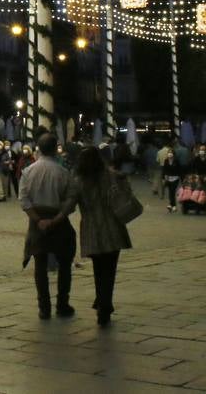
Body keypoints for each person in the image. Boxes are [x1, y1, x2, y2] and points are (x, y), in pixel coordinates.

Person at [63, 147, 132, 326]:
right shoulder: (110, 176)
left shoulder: (78, 181)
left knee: (98, 268)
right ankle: (104, 304)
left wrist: (55, 217)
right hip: (113, 227)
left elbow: (69, 205)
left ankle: (102, 302)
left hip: (91, 228)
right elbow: (125, 189)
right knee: (110, 270)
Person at [20, 134, 76, 319]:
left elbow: (24, 200)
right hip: (58, 220)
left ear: (38, 148)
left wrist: (37, 220)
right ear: (55, 149)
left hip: (37, 220)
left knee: (40, 264)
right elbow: (70, 201)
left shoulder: (28, 172)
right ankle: (62, 303)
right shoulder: (63, 173)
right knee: (65, 263)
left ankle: (44, 307)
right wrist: (57, 218)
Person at [160, 148, 181, 213]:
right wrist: (163, 177)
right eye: (169, 152)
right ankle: (172, 205)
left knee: (172, 191)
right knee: (170, 192)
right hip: (168, 178)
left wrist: (181, 178)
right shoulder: (166, 160)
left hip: (175, 178)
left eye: (171, 153)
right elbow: (164, 169)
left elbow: (179, 169)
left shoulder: (176, 161)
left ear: (173, 154)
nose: (170, 154)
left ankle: (172, 205)